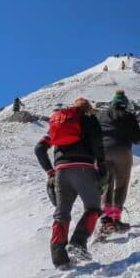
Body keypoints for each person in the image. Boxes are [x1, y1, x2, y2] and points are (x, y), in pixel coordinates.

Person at [34, 98, 107, 268]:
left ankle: (59, 256)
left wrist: (50, 172)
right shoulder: (89, 120)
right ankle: (78, 243)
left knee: (62, 212)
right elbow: (97, 143)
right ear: (88, 109)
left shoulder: (59, 123)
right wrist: (102, 165)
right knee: (93, 207)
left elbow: (39, 148)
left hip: (61, 172)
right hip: (83, 168)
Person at [96, 90, 140, 234]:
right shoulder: (128, 116)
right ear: (125, 104)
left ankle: (106, 220)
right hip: (122, 152)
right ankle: (116, 219)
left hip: (103, 152)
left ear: (113, 102)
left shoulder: (101, 115)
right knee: (121, 184)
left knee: (106, 184)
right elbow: (137, 137)